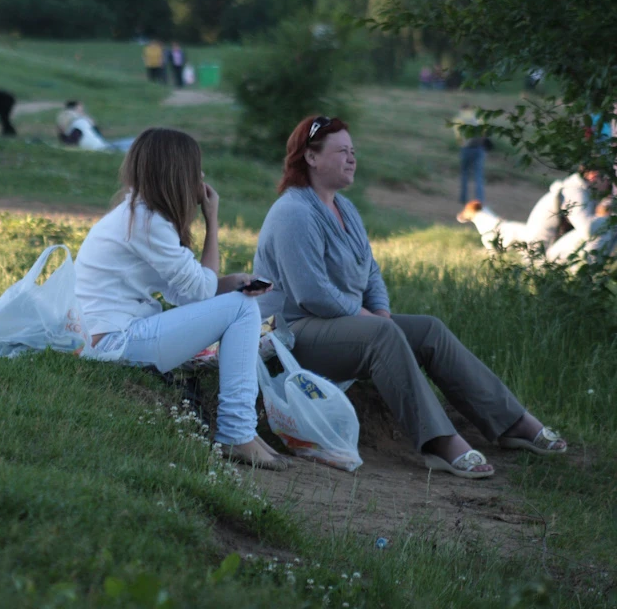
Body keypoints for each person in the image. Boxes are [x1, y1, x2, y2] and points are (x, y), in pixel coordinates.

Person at [252, 115, 568, 479]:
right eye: (342, 151)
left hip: (342, 325)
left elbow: (370, 269)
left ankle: (512, 423)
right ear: (310, 157)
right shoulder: (294, 212)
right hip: (293, 335)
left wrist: (381, 310)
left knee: (428, 330)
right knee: (382, 334)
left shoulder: (345, 209)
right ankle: (438, 442)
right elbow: (311, 294)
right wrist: (367, 318)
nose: (352, 158)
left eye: (353, 151)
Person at [75, 128, 288, 470]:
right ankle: (237, 432)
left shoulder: (140, 215)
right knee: (244, 306)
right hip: (114, 343)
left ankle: (241, 431)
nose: (201, 177)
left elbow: (186, 293)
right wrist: (212, 220)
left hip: (112, 337)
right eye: (196, 168)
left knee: (239, 302)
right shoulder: (147, 221)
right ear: (177, 172)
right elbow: (199, 292)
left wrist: (228, 283)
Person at [56, 101, 134, 152]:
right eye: (80, 109)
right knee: (133, 144)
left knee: (132, 141)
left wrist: (93, 125)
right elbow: (71, 143)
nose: (82, 112)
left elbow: (70, 142)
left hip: (104, 146)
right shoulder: (78, 123)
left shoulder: (81, 123)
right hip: (103, 148)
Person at [454, 103, 488, 205]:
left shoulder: (458, 119)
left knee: (464, 174)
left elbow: (458, 138)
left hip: (466, 149)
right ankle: (479, 199)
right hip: (479, 148)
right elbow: (484, 133)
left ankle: (463, 198)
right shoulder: (478, 118)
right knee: (478, 175)